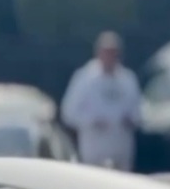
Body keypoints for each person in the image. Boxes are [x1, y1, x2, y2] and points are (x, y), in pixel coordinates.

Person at [60, 31, 143, 171]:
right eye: (106, 52)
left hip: (120, 148)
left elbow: (138, 110)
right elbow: (68, 112)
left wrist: (131, 119)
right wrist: (92, 121)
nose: (110, 56)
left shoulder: (128, 79)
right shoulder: (85, 78)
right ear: (98, 53)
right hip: (94, 149)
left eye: (113, 52)